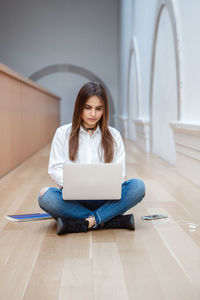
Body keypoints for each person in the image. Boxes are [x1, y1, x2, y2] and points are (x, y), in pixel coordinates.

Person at [38, 82, 145, 235]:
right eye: (88, 107)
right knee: (45, 197)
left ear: (104, 110)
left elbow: (119, 175)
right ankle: (107, 220)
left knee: (138, 186)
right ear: (79, 107)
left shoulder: (114, 136)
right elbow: (55, 169)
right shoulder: (62, 133)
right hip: (73, 199)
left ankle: (84, 222)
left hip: (105, 199)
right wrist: (79, 186)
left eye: (98, 109)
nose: (93, 114)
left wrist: (100, 186)